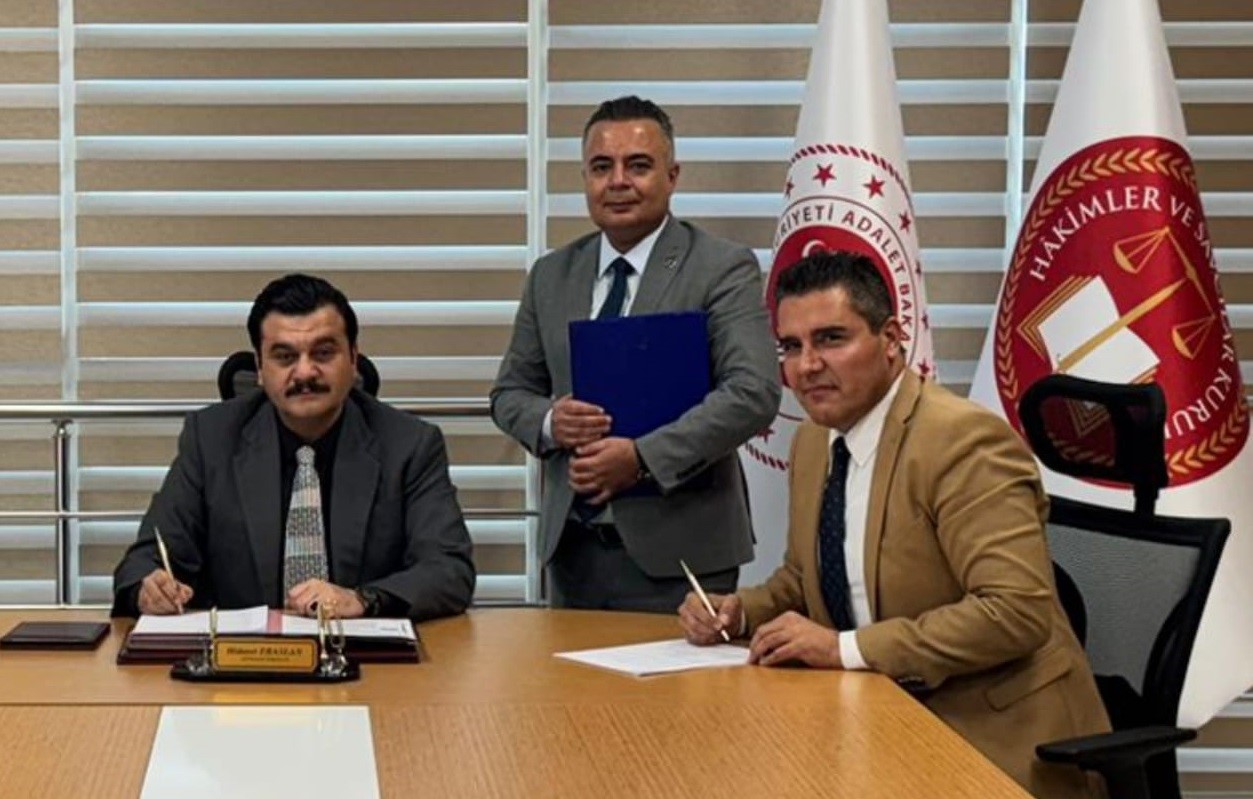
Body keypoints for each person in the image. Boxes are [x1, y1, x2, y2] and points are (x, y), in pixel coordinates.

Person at [678, 251, 1109, 798]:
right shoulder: (814, 439)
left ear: (890, 339)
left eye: (831, 339)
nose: (807, 366)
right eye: (791, 346)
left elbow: (1015, 612)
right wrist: (739, 611)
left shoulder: (962, 443)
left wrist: (843, 649)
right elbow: (807, 577)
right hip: (873, 714)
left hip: (992, 735)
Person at [491, 96, 780, 612]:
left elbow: (752, 392)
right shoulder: (550, 276)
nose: (618, 181)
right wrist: (552, 421)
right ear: (585, 178)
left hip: (683, 550)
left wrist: (641, 460)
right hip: (573, 552)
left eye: (638, 165)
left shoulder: (721, 267)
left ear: (673, 176)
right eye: (602, 167)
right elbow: (510, 393)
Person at [112, 273, 476, 621]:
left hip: (361, 653)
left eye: (323, 353)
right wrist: (149, 588)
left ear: (353, 359)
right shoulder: (211, 439)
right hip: (241, 658)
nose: (304, 373)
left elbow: (448, 569)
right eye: (285, 357)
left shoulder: (409, 445)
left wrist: (362, 599)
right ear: (259, 367)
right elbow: (144, 562)